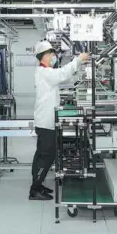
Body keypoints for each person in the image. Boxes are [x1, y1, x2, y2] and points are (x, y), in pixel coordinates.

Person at [30, 40, 88, 200]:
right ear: (44, 56)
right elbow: (62, 74)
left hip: (45, 121)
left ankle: (38, 183)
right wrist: (78, 60)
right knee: (46, 156)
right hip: (46, 122)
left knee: (41, 155)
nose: (54, 57)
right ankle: (34, 190)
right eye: (52, 54)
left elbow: (62, 78)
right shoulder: (45, 72)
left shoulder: (45, 72)